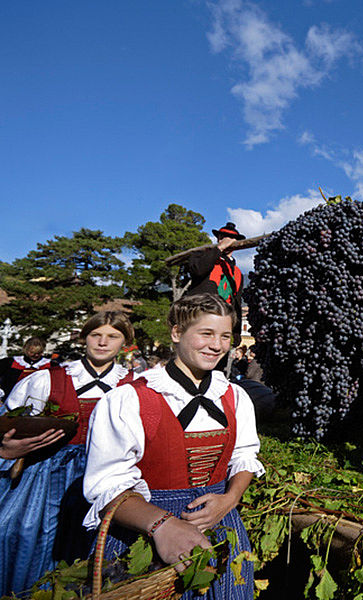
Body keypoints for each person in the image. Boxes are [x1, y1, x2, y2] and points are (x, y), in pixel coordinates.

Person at [83, 294, 263, 599]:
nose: (217, 345)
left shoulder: (234, 396)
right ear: (177, 333)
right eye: (206, 333)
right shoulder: (128, 400)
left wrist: (230, 499)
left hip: (221, 526)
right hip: (144, 532)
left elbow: (244, 455)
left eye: (224, 336)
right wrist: (162, 526)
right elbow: (106, 486)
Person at [0, 311, 134, 595]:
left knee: (93, 550)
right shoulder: (47, 379)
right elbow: (9, 424)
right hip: (47, 475)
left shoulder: (133, 385)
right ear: (84, 338)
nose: (102, 342)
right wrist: (8, 448)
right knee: (24, 536)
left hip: (106, 477)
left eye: (112, 336)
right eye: (96, 335)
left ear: (125, 343)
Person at [186, 222, 246, 345]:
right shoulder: (201, 256)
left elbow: (237, 302)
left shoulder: (238, 272)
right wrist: (219, 248)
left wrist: (236, 331)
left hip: (223, 324)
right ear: (218, 239)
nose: (227, 240)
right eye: (223, 237)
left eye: (231, 238)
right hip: (199, 319)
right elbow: (198, 270)